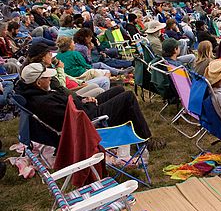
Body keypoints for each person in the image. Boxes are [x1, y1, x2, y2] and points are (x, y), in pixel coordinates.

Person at [16, 63, 163, 149]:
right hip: (87, 121)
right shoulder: (44, 102)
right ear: (38, 82)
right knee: (128, 97)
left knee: (118, 90)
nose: (50, 79)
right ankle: (145, 139)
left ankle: (129, 135)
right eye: (47, 77)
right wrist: (87, 105)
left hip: (84, 109)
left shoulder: (38, 94)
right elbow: (72, 118)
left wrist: (84, 100)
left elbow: (69, 107)